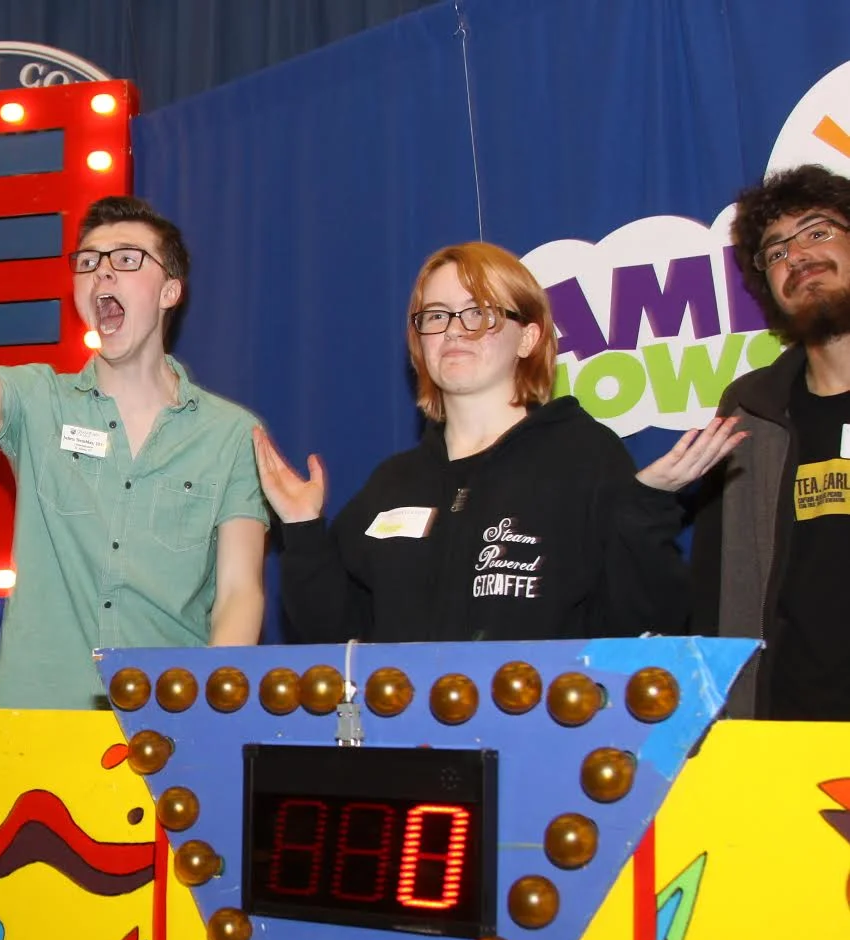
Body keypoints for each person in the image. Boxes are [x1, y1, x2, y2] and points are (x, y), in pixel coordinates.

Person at [0, 125, 269, 710]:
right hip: (33, 724)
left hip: (162, 726)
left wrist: (206, 715)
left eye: (127, 260)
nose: (102, 272)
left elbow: (240, 593)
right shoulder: (37, 401)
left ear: (170, 291)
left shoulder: (231, 434)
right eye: (88, 262)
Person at [257, 240, 742, 644]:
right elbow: (332, 637)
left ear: (528, 338)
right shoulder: (393, 483)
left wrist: (646, 510)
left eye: (479, 313)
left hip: (543, 727)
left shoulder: (584, 458)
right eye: (436, 315)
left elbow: (646, 625)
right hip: (404, 731)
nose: (454, 331)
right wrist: (302, 528)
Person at [694, 164, 850, 720]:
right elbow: (717, 593)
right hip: (785, 736)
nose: (798, 255)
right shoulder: (749, 413)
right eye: (777, 250)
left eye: (818, 231)